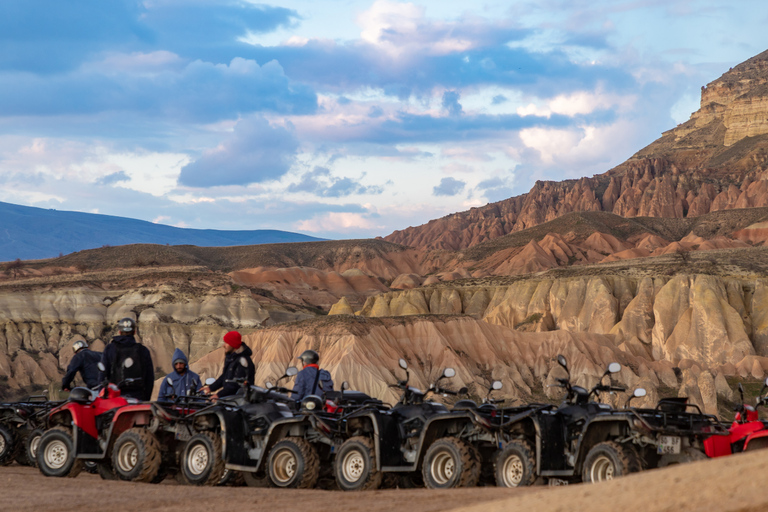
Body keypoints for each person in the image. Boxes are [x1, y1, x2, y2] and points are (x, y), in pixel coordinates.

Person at [100, 317, 155, 401]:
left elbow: (102, 374)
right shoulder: (143, 350)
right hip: (138, 397)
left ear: (119, 331)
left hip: (114, 397)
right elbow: (149, 378)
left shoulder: (110, 349)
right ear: (134, 332)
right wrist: (145, 399)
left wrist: (102, 395)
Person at [200, 331, 255, 399]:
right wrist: (211, 388)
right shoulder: (231, 358)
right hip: (232, 398)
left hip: (240, 400)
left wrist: (219, 395)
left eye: (226, 342)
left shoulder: (243, 361)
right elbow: (224, 377)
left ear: (233, 344)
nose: (224, 345)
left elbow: (236, 385)